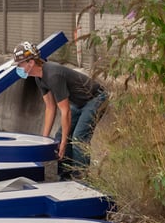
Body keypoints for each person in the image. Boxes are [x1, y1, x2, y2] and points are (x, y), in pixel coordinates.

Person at [12, 41, 108, 179]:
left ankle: (82, 180)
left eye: (19, 64)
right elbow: (50, 108)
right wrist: (43, 141)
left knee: (78, 138)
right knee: (59, 138)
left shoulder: (53, 75)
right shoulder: (38, 78)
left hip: (96, 99)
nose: (18, 68)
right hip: (79, 102)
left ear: (31, 63)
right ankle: (65, 177)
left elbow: (65, 111)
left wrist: (63, 144)